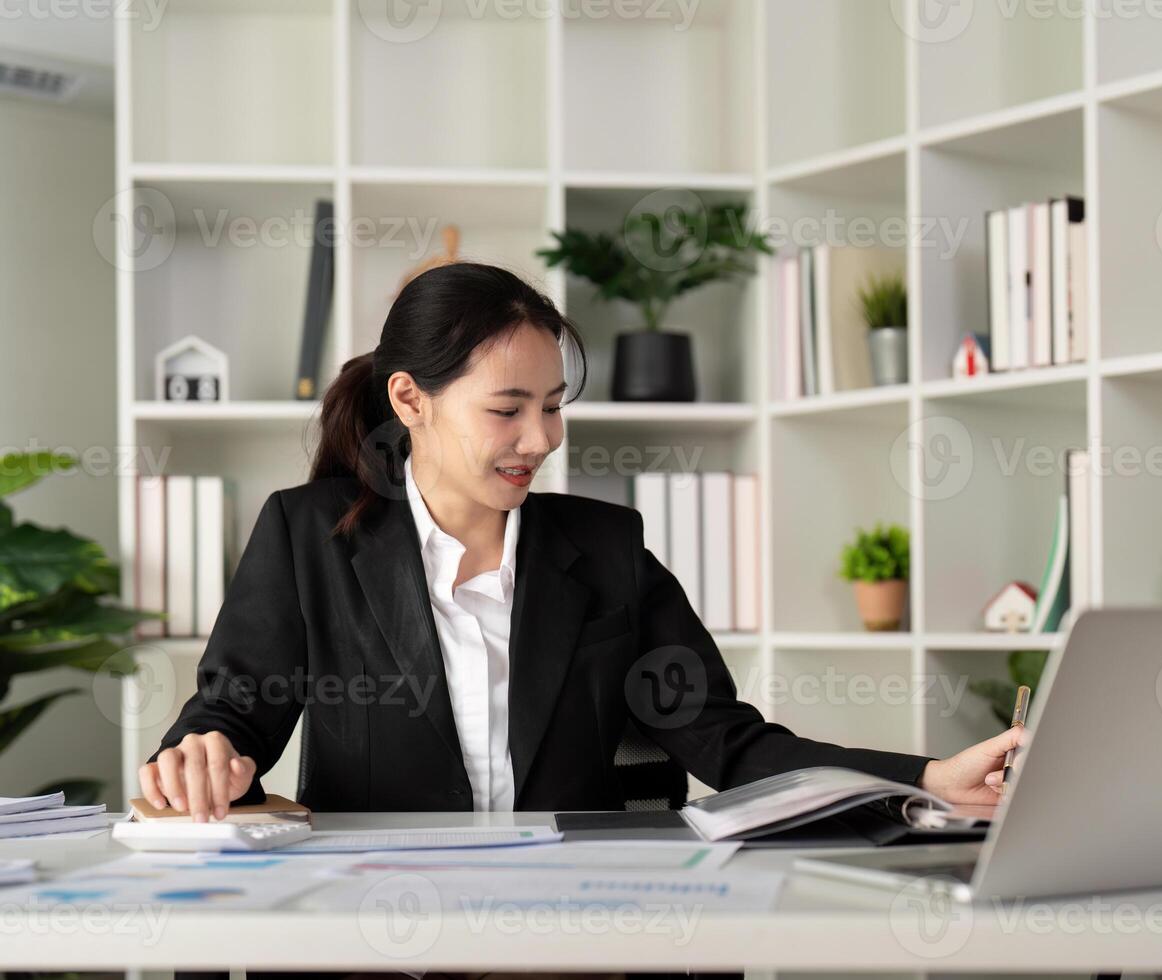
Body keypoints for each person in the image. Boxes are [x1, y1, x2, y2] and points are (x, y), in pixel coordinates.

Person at [140, 262, 1024, 823]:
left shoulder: (608, 552)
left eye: (554, 407)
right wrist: (206, 760)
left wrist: (929, 778)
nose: (541, 439)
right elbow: (229, 719)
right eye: (508, 410)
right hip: (377, 928)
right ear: (410, 400)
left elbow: (731, 745)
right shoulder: (308, 538)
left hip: (564, 925)